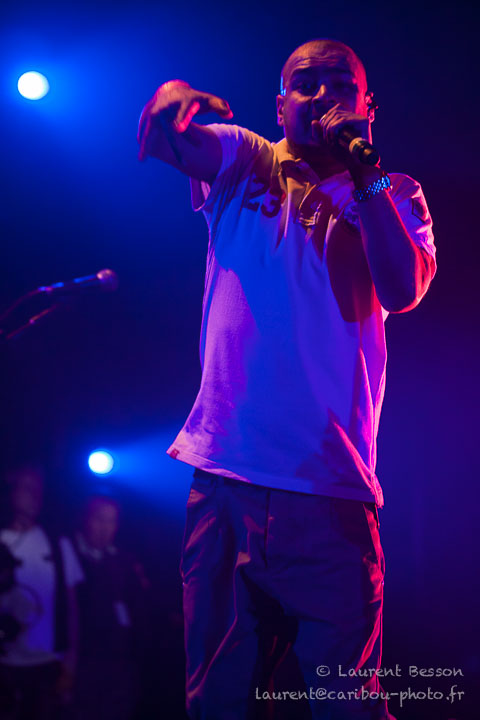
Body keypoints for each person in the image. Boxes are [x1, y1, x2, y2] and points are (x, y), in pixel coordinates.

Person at [137, 38, 436, 720]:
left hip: (330, 493)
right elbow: (166, 138)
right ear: (280, 106)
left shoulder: (395, 194)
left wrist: (366, 172)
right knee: (219, 704)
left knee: (346, 706)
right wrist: (171, 98)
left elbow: (402, 289)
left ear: (368, 108)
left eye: (340, 84)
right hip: (226, 482)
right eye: (306, 83)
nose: (322, 94)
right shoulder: (247, 159)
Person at [0, 464, 83, 720]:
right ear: (11, 491)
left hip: (47, 666)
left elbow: (72, 609)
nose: (34, 495)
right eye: (27, 488)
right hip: (5, 665)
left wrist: (70, 664)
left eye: (38, 489)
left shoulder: (57, 542)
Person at [71, 495, 147, 720]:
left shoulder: (124, 561)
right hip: (82, 663)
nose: (105, 527)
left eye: (111, 521)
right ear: (85, 519)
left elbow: (137, 610)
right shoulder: (68, 554)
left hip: (119, 663)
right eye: (99, 519)